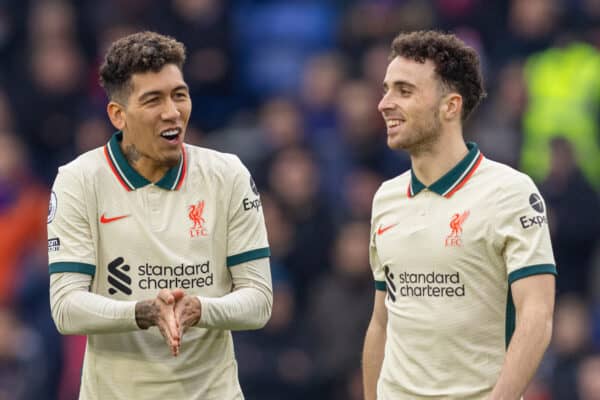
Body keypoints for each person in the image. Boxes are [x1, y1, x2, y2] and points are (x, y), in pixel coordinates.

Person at [48, 31, 272, 400]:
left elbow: (260, 300)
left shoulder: (227, 174)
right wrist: (142, 312)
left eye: (179, 95)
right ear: (118, 115)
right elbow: (66, 308)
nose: (172, 112)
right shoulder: (79, 181)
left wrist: (200, 309)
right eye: (153, 100)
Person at [362, 30, 556, 400]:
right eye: (386, 89)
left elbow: (536, 315)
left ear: (450, 106)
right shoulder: (386, 198)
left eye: (404, 91)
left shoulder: (510, 192)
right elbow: (381, 321)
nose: (384, 103)